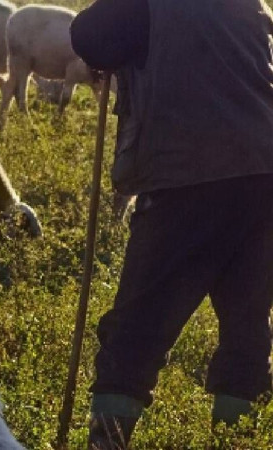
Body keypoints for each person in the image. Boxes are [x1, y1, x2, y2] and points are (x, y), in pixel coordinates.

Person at [70, 0, 273, 448]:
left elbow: (89, 34)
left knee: (137, 324)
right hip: (263, 176)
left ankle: (107, 441)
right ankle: (236, 440)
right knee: (247, 321)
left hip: (187, 175)